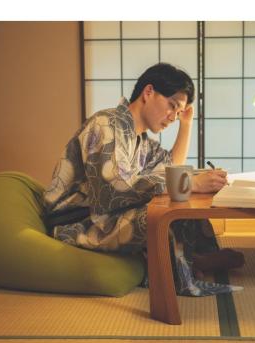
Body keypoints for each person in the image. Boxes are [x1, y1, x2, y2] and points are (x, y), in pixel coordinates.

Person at [43, 63, 244, 296]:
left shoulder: (142, 141)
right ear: (148, 92)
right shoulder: (106, 123)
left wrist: (186, 124)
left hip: (105, 214)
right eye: (172, 106)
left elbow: (171, 168)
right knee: (162, 217)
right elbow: (112, 189)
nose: (173, 117)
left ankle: (195, 259)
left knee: (183, 203)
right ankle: (184, 271)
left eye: (178, 112)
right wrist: (191, 183)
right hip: (78, 221)